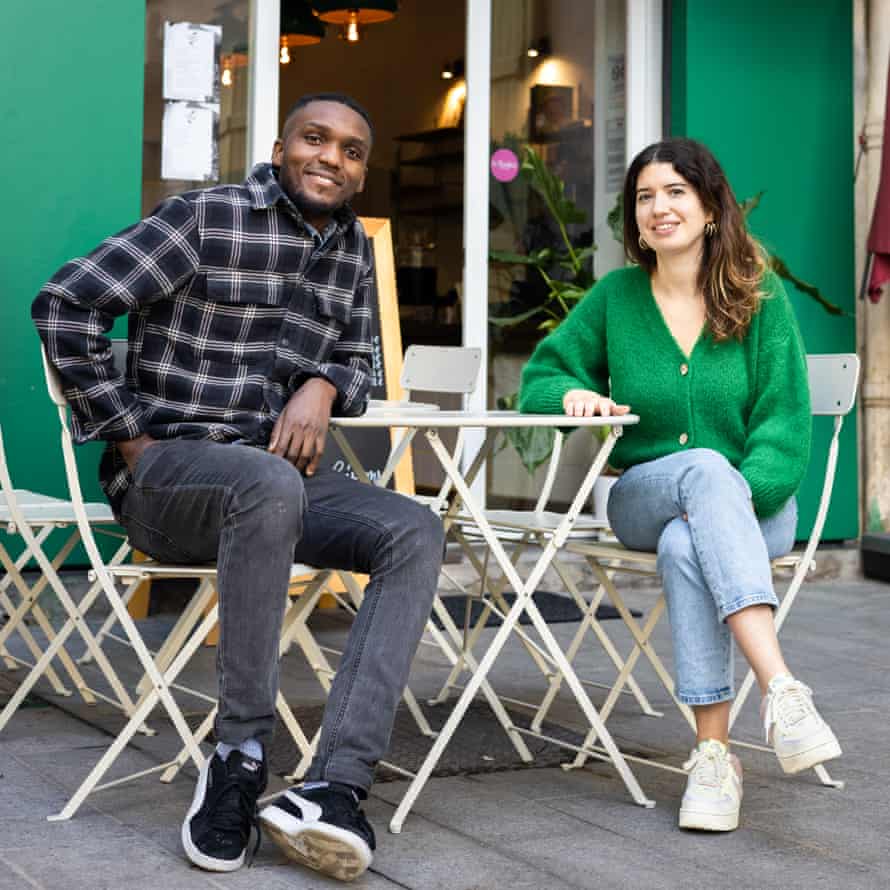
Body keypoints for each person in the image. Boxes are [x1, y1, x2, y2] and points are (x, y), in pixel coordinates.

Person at [33, 93, 444, 879]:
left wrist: (324, 385)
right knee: (265, 481)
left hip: (279, 488)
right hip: (168, 479)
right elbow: (66, 303)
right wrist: (130, 434)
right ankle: (241, 753)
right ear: (280, 146)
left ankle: (333, 785)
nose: (331, 157)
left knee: (414, 530)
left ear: (362, 171)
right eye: (315, 139)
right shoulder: (205, 218)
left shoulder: (353, 249)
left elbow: (359, 361)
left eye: (352, 150)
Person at [519, 138, 841, 832]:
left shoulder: (758, 295)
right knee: (699, 477)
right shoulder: (615, 298)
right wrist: (574, 395)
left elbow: (784, 426)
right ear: (634, 220)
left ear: (708, 206)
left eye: (675, 193)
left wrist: (726, 499)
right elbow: (539, 378)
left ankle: (715, 759)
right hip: (643, 492)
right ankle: (781, 689)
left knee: (685, 545)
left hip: (757, 506)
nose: (659, 208)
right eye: (644, 197)